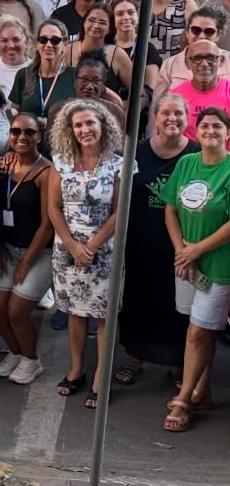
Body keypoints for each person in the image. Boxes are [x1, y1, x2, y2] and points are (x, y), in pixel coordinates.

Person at [45, 99, 123, 407]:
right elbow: (53, 208)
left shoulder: (119, 163)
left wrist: (90, 247)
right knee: (75, 312)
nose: (85, 129)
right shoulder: (60, 161)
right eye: (78, 125)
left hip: (104, 251)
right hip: (67, 251)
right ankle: (76, 369)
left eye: (90, 123)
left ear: (103, 125)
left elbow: (120, 211)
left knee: (104, 316)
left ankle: (101, 377)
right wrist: (73, 245)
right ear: (70, 130)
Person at [119, 94, 195, 391]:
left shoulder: (197, 155)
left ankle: (178, 362)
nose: (172, 119)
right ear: (155, 117)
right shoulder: (135, 152)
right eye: (165, 113)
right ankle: (134, 357)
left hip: (182, 245)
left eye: (178, 113)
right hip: (140, 240)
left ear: (188, 119)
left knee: (178, 305)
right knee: (138, 300)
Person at [160, 106, 230, 431]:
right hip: (187, 262)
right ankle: (203, 391)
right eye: (204, 126)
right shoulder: (187, 163)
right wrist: (181, 252)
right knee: (200, 329)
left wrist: (196, 250)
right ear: (195, 131)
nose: (210, 131)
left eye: (217, 126)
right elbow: (171, 209)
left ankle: (184, 400)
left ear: (227, 134)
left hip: (218, 265)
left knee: (198, 331)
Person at [0, 112, 54, 385]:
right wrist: (0, 246)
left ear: (39, 137)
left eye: (29, 132)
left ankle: (31, 359)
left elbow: (48, 224)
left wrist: (27, 261)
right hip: (8, 248)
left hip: (40, 253)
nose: (22, 137)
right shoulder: (5, 166)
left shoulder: (47, 172)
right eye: (16, 132)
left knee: (17, 310)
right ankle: (16, 353)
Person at [155, 9, 230, 102]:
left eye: (209, 31)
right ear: (187, 33)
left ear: (218, 35)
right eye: (196, 30)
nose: (202, 36)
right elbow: (157, 104)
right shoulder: (170, 64)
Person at [171, 41, 230, 133]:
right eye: (197, 58)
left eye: (210, 57)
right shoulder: (174, 97)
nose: (204, 64)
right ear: (187, 63)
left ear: (221, 61)